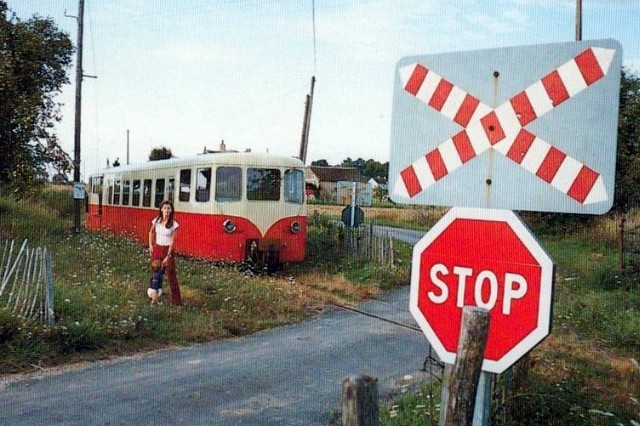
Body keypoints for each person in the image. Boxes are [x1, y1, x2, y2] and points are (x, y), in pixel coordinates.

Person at [148, 200, 182, 306]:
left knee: (171, 274)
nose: (166, 210)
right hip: (157, 248)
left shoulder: (174, 224)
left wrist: (168, 256)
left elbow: (173, 241)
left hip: (168, 250)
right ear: (161, 209)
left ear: (171, 210)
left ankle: (176, 302)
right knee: (155, 273)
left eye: (168, 208)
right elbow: (151, 232)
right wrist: (150, 245)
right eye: (165, 208)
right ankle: (154, 296)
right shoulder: (156, 221)